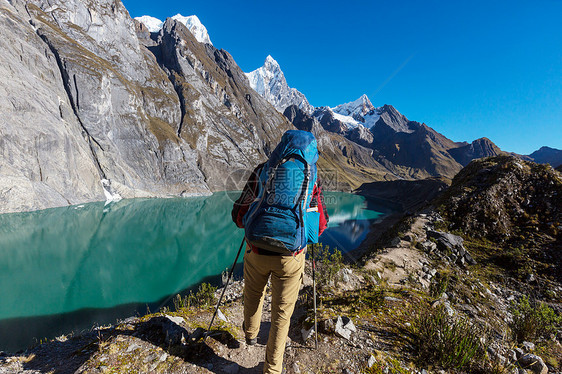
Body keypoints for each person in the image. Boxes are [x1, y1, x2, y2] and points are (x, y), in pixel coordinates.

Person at [231, 130, 328, 374]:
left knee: (253, 295)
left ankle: (250, 336)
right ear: (311, 152)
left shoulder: (264, 169)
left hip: (256, 250)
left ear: (281, 147)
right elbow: (321, 224)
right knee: (281, 316)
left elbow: (238, 215)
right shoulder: (312, 176)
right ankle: (272, 369)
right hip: (291, 257)